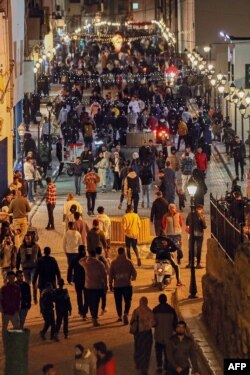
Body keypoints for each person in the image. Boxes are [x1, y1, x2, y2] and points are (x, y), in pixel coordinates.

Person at [79, 251, 107, 327]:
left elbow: (80, 261)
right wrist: (105, 285)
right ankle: (94, 319)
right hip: (97, 286)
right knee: (96, 302)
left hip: (88, 286)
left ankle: (87, 314)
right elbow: (104, 275)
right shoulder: (100, 264)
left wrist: (86, 257)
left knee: (89, 301)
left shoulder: (86, 263)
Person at [109, 247, 137, 325]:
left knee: (118, 301)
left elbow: (111, 274)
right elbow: (134, 273)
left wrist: (110, 284)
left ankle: (120, 316)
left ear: (118, 253)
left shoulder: (113, 262)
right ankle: (126, 313)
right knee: (128, 300)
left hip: (117, 286)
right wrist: (133, 278)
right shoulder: (129, 262)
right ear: (124, 252)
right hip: (127, 285)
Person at [153, 294, 178, 374]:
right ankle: (166, 366)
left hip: (158, 335)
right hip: (169, 335)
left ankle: (159, 366)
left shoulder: (155, 310)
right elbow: (175, 324)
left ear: (159, 300)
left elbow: (153, 323)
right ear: (166, 300)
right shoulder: (171, 310)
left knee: (159, 351)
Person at [130, 296, 155, 375]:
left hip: (138, 334)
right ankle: (144, 368)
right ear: (146, 302)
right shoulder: (149, 311)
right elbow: (154, 323)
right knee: (146, 351)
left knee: (138, 349)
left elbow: (131, 322)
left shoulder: (136, 311)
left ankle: (138, 365)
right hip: (147, 334)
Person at [16, 232, 42, 302]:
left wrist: (40, 267)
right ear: (24, 239)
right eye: (26, 238)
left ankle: (35, 297)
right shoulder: (21, 247)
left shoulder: (36, 246)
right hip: (25, 267)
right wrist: (17, 267)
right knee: (27, 284)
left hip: (34, 267)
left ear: (31, 238)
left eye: (29, 238)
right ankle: (29, 298)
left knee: (34, 283)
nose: (27, 240)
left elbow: (40, 257)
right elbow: (18, 257)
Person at [67, 245, 88, 318]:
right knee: (86, 296)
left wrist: (69, 278)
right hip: (86, 280)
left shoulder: (75, 259)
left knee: (79, 296)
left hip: (78, 280)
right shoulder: (86, 259)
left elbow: (70, 269)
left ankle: (81, 310)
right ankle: (84, 311)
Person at [186, 204, 207, 269]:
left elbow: (187, 223)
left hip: (191, 234)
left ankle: (190, 263)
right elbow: (204, 226)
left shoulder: (190, 214)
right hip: (199, 234)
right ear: (200, 209)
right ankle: (198, 263)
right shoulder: (201, 215)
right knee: (199, 249)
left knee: (191, 248)